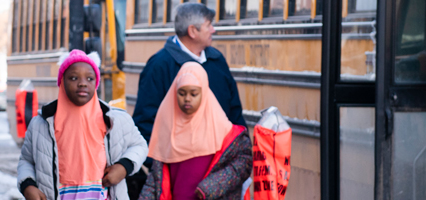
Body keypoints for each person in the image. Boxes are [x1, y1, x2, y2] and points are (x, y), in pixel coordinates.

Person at [129, 3, 246, 195]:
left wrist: (234, 161)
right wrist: (162, 168)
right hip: (178, 176)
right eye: (209, 25)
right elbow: (145, 121)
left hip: (219, 175)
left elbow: (234, 112)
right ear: (193, 31)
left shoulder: (217, 61)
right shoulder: (160, 66)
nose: (213, 30)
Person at [17, 49, 148, 200]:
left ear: (96, 82)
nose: (82, 83)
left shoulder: (117, 120)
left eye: (90, 79)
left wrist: (124, 167)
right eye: (73, 78)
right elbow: (26, 160)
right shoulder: (40, 125)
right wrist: (28, 186)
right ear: (62, 81)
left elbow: (140, 145)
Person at [139, 62, 251, 200]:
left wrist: (211, 187)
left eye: (194, 94)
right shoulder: (167, 130)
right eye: (181, 93)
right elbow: (156, 179)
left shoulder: (224, 131)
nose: (187, 99)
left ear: (203, 93)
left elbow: (242, 163)